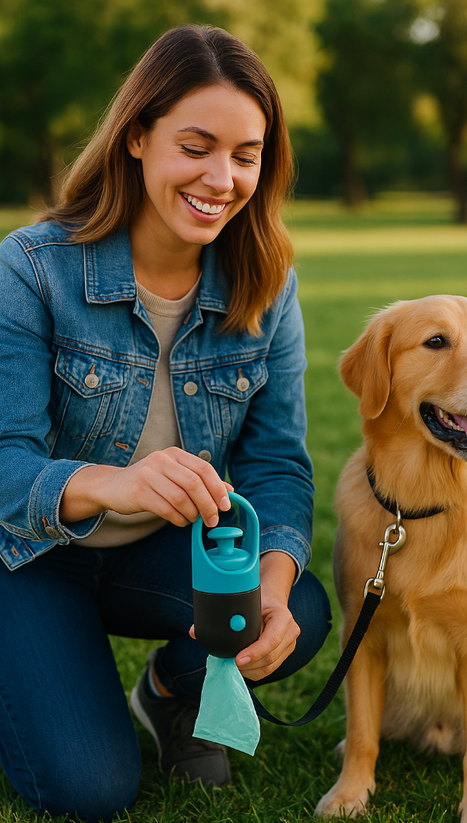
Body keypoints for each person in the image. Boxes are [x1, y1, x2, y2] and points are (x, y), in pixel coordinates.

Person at [0, 23, 331, 823]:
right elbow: (4, 462)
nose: (222, 177)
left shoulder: (265, 281)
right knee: (89, 788)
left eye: (245, 154)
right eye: (196, 146)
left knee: (302, 608)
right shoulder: (33, 266)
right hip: (33, 556)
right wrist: (114, 481)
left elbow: (278, 463)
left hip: (159, 557)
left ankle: (171, 693)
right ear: (138, 136)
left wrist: (273, 590)